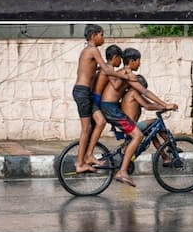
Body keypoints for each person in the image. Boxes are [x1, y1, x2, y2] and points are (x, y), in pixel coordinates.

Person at [100, 48, 177, 187]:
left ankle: (165, 155)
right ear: (132, 61)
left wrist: (163, 106)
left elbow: (145, 100)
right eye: (139, 61)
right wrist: (165, 105)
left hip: (110, 108)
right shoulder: (127, 74)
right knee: (138, 136)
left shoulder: (125, 74)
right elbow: (145, 92)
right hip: (110, 108)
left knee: (146, 133)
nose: (140, 64)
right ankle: (122, 171)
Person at [71, 24, 137, 174]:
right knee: (86, 128)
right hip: (82, 92)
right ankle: (80, 162)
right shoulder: (93, 50)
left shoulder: (87, 51)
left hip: (84, 92)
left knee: (100, 121)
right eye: (102, 35)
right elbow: (107, 70)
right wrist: (125, 75)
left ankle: (88, 155)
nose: (103, 38)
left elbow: (94, 72)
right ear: (94, 35)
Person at [84, 44, 124, 167]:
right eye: (120, 59)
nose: (121, 62)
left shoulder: (104, 67)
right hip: (95, 99)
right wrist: (127, 77)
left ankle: (87, 153)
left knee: (96, 126)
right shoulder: (109, 68)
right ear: (115, 57)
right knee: (101, 122)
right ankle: (89, 155)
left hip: (95, 99)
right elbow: (116, 85)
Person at [121, 74, 175, 164]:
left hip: (130, 125)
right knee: (156, 122)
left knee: (153, 134)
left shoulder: (131, 94)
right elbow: (147, 106)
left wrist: (165, 107)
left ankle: (165, 157)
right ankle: (170, 144)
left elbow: (151, 104)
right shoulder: (133, 94)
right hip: (132, 126)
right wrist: (165, 106)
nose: (142, 92)